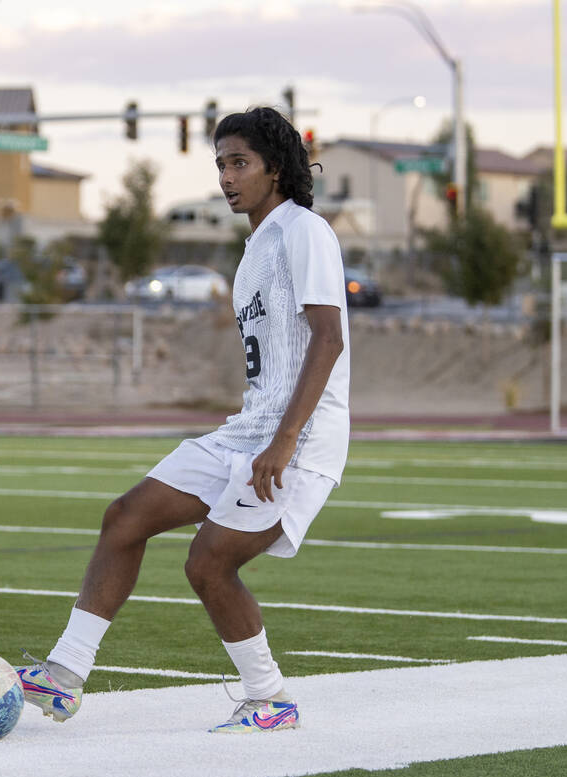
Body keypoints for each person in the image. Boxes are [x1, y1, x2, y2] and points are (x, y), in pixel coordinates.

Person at [18, 106, 350, 734]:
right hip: (249, 430)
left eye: (240, 163)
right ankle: (63, 675)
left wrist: (281, 443)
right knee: (125, 517)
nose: (227, 177)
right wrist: (260, 433)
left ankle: (270, 699)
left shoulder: (304, 230)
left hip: (297, 441)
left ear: (276, 167)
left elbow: (327, 339)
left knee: (208, 564)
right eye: (221, 164)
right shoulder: (255, 245)